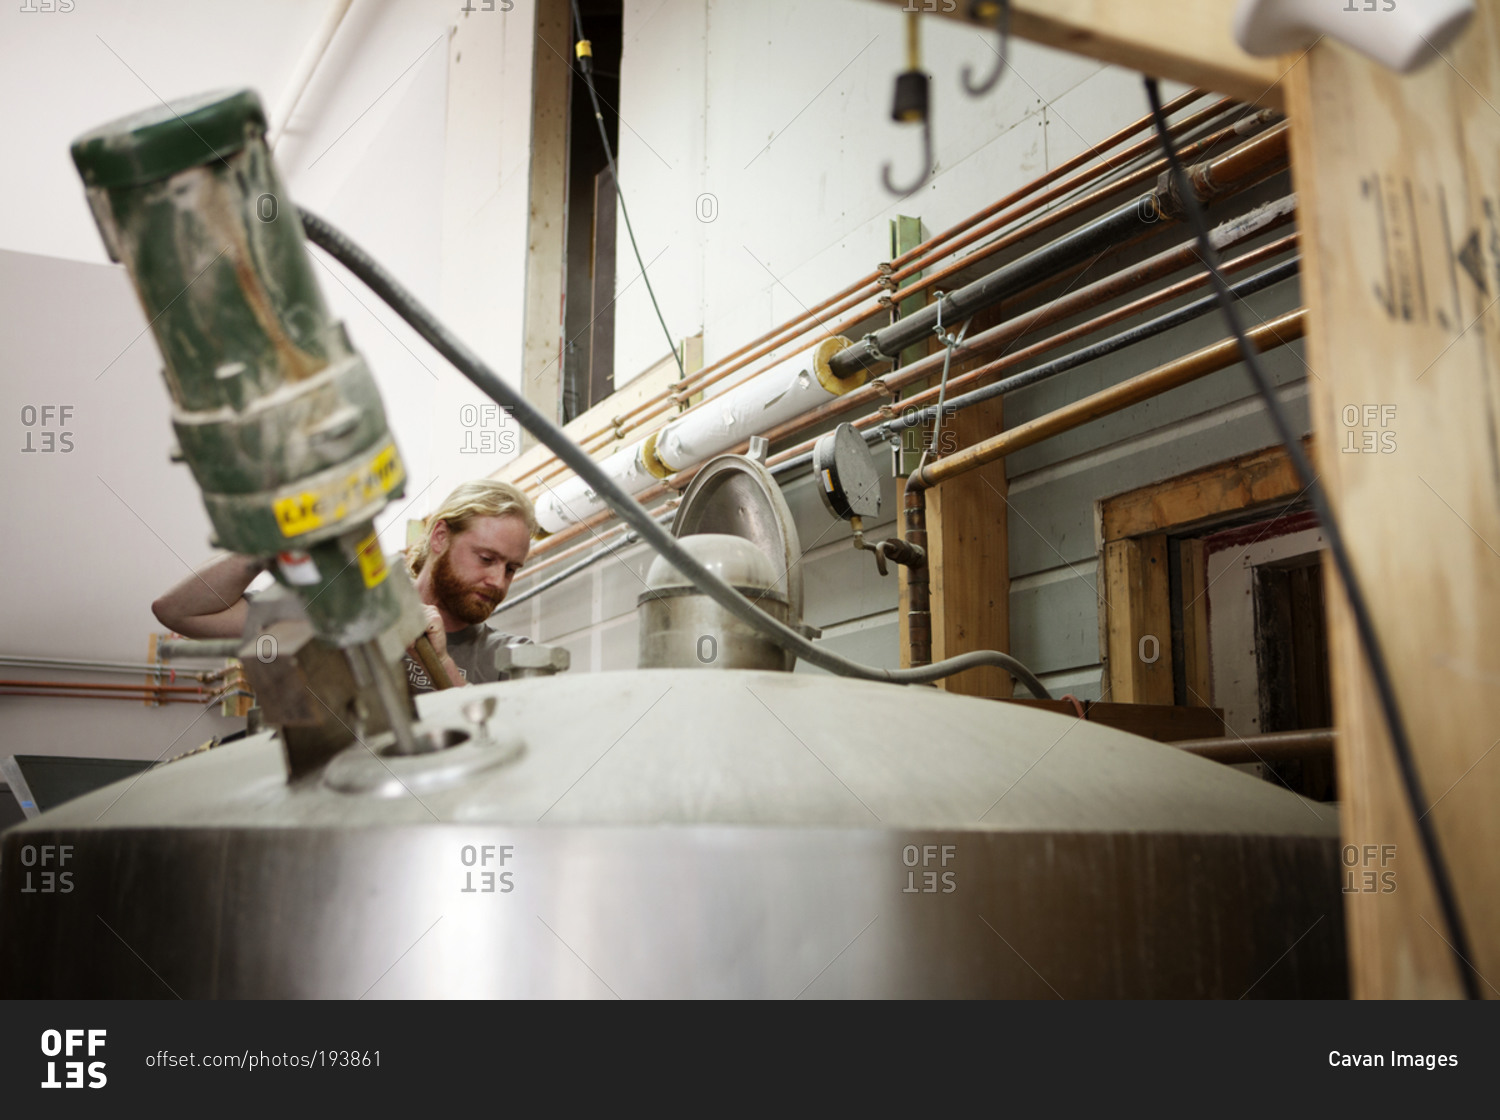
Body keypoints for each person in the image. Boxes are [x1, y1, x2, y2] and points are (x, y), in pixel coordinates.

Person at [152, 479, 537, 694]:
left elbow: (509, 754)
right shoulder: (346, 608)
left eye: (511, 568)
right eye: (486, 559)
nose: (497, 581)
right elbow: (181, 612)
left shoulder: (509, 659)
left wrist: (442, 665)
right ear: (439, 537)